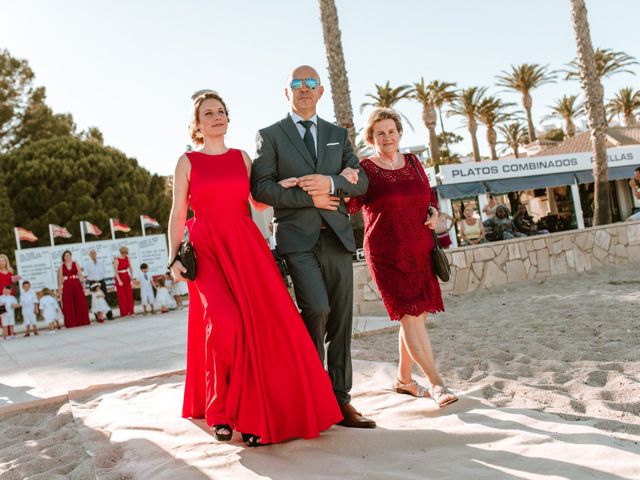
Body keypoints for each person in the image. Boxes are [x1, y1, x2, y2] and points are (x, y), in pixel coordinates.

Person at [171, 90, 342, 446]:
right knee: (225, 324)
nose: (217, 117)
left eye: (221, 111)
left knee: (262, 327)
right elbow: (178, 212)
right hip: (208, 250)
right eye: (208, 113)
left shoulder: (242, 158)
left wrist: (285, 185)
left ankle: (251, 414)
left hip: (246, 246)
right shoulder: (187, 161)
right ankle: (219, 412)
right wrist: (173, 257)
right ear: (197, 125)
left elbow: (258, 201)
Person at [251, 65, 375, 429]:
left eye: (310, 83)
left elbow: (361, 180)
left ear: (321, 91)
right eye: (296, 83)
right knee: (316, 309)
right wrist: (312, 197)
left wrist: (331, 182)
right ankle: (312, 392)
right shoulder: (270, 135)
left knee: (340, 319)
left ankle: (340, 401)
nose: (304, 89)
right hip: (297, 241)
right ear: (286, 92)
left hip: (336, 238)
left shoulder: (338, 134)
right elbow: (261, 188)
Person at [346, 108, 458, 407]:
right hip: (387, 253)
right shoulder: (365, 169)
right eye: (379, 133)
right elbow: (350, 205)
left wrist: (433, 213)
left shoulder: (413, 161)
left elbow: (428, 196)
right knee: (410, 315)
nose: (386, 137)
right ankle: (436, 383)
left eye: (391, 131)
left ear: (399, 134)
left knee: (416, 317)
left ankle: (404, 380)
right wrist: (341, 181)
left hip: (420, 246)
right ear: (371, 137)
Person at [57, 250, 90, 328]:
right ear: (63, 257)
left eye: (68, 255)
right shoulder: (61, 266)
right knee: (69, 303)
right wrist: (60, 289)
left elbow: (80, 274)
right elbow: (60, 278)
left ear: (71, 256)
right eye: (65, 255)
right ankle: (71, 322)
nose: (67, 257)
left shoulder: (75, 264)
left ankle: (82, 320)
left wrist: (83, 285)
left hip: (76, 284)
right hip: (67, 285)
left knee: (79, 301)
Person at [113, 246, 134, 317]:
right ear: (121, 252)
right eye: (124, 253)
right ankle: (125, 313)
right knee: (122, 296)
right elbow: (115, 271)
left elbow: (130, 267)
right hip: (120, 277)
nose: (125, 254)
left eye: (126, 253)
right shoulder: (116, 259)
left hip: (126, 276)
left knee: (129, 295)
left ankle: (131, 311)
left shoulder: (127, 258)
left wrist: (132, 276)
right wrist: (119, 280)